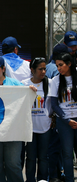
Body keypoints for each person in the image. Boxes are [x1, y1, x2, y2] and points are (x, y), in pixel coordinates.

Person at [0, 56, 35, 182]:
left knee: (13, 164)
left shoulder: (15, 84)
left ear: (3, 69)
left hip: (12, 132)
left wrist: (30, 91)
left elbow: (26, 100)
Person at [48, 53, 77, 182]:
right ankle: (70, 180)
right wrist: (66, 119)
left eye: (61, 65)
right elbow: (54, 104)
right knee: (67, 153)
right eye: (57, 65)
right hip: (64, 122)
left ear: (69, 64)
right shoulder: (55, 80)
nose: (58, 68)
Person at [22, 57, 51, 182]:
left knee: (43, 157)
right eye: (40, 69)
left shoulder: (50, 83)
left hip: (46, 127)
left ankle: (42, 180)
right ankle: (30, 180)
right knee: (31, 157)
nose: (43, 72)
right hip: (30, 128)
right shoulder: (24, 84)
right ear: (32, 70)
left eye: (45, 69)